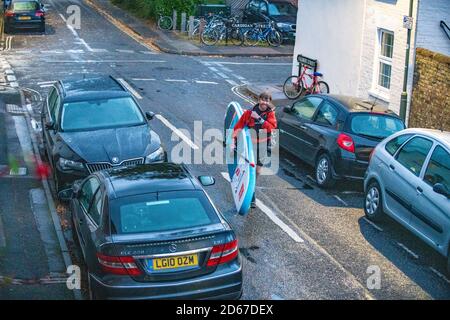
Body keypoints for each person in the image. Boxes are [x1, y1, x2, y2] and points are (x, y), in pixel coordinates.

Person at [232, 91, 277, 208]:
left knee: (257, 172)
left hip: (262, 145)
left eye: (267, 101)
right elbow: (238, 126)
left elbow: (272, 128)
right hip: (250, 145)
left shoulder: (270, 114)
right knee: (248, 169)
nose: (264, 102)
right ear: (259, 100)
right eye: (262, 100)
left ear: (269, 102)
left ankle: (251, 190)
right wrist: (233, 141)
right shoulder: (249, 113)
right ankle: (251, 195)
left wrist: (260, 119)